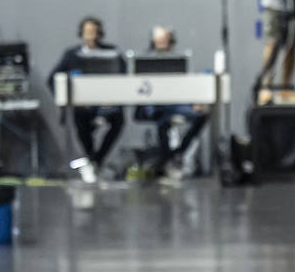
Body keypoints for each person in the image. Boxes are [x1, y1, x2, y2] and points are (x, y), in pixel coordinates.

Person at [48, 16, 125, 183]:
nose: (91, 35)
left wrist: (113, 97)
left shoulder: (112, 52)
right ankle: (91, 159)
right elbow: (53, 78)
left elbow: (124, 76)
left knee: (118, 119)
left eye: (94, 32)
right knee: (80, 119)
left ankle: (97, 160)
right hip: (82, 105)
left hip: (107, 103)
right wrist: (64, 98)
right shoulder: (72, 55)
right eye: (87, 32)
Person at [139, 25, 208, 180]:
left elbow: (187, 85)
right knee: (161, 118)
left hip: (176, 103)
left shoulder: (180, 60)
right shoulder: (145, 61)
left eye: (166, 41)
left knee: (200, 114)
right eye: (159, 41)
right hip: (154, 103)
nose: (163, 44)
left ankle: (175, 154)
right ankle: (167, 159)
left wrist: (194, 102)